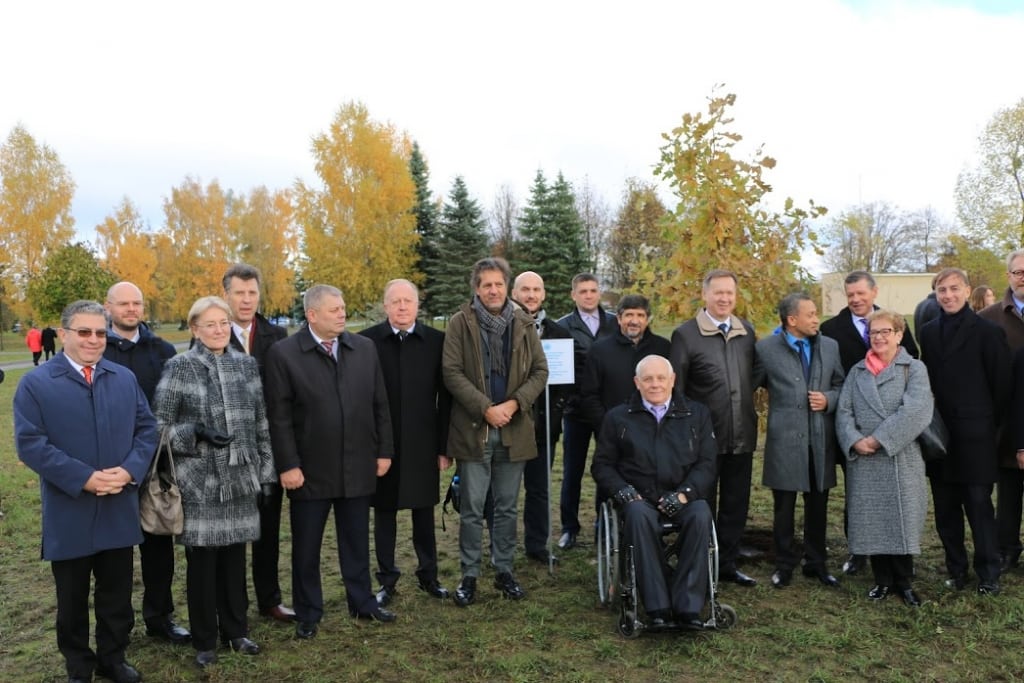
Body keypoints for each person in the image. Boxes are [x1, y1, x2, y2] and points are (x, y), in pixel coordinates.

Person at [14, 300, 158, 683]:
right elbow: (31, 443)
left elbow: (147, 429)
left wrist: (130, 470)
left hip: (118, 504)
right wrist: (84, 478)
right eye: (84, 332)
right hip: (70, 509)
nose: (94, 340)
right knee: (72, 600)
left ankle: (113, 658)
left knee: (117, 595)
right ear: (63, 334)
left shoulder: (122, 378)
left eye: (100, 333)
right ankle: (79, 665)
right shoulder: (36, 383)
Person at [264, 284, 396, 638]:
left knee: (355, 540)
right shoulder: (284, 354)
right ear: (312, 315)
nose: (342, 314)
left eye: (343, 308)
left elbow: (380, 404)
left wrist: (384, 450)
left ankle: (363, 603)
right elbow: (277, 417)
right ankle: (308, 612)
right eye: (334, 309)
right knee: (306, 547)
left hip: (358, 464)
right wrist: (287, 465)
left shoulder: (364, 349)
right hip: (308, 471)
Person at [153, 296, 277, 668]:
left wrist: (267, 473)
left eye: (223, 323)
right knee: (203, 564)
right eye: (210, 324)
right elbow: (158, 429)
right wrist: (196, 432)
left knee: (235, 558)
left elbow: (260, 423)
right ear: (194, 329)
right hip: (199, 482)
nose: (219, 330)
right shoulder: (180, 367)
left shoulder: (246, 366)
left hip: (240, 478)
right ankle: (205, 639)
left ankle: (237, 631)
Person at [442, 257, 548, 606]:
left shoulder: (523, 323)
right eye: (486, 284)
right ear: (476, 288)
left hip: (514, 429)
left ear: (507, 287)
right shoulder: (460, 323)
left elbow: (539, 371)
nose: (493, 290)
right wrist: (485, 408)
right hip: (475, 429)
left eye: (498, 284)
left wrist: (514, 404)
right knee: (472, 507)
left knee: (506, 507)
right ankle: (469, 574)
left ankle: (504, 569)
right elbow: (452, 372)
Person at [591, 354, 717, 630]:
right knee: (636, 515)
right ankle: (657, 605)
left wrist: (684, 494)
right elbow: (602, 466)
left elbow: (708, 464)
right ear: (637, 383)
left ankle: (688, 607)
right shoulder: (618, 417)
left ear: (673, 380)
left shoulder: (696, 414)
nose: (655, 384)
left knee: (701, 513)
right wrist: (623, 491)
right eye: (648, 379)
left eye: (661, 378)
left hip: (683, 496)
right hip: (639, 497)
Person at [103, 282, 188, 645]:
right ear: (108, 307)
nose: (131, 309)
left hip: (156, 465)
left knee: (158, 550)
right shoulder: (97, 349)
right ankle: (117, 629)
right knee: (114, 558)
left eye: (137, 303)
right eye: (123, 303)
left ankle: (160, 617)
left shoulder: (163, 350)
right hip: (110, 467)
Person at [820, 270, 919, 576]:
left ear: (874, 292)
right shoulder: (831, 329)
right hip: (854, 425)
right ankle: (859, 550)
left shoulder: (895, 323)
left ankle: (899, 556)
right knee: (858, 493)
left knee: (896, 494)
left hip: (892, 423)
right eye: (850, 295)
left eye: (861, 293)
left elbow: (910, 361)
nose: (856, 300)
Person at [918, 267, 1011, 595]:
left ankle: (988, 573)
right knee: (945, 509)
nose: (948, 295)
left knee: (979, 507)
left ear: (967, 290)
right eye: (942, 290)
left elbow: (1002, 387)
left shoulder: (987, 332)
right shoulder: (927, 332)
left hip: (976, 437)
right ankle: (956, 569)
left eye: (954, 289)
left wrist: (987, 426)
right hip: (939, 436)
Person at [360, 279, 452, 605]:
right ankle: (387, 580)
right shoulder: (366, 341)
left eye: (407, 301)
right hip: (383, 445)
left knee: (423, 513)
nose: (401, 307)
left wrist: (444, 448)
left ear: (417, 306)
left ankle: (429, 575)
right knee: (384, 513)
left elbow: (446, 398)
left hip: (424, 443)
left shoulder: (437, 342)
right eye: (395, 301)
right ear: (385, 306)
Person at [836, 310, 933, 607]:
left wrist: (878, 439)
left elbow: (915, 411)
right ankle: (882, 581)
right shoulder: (857, 371)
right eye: (873, 332)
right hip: (865, 458)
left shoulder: (913, 369)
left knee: (901, 516)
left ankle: (903, 581)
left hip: (899, 456)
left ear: (899, 335)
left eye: (885, 331)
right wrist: (854, 440)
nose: (878, 337)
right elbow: (843, 411)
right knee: (873, 520)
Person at [669, 270, 758, 587]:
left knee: (736, 504)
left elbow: (754, 376)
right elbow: (676, 389)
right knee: (702, 504)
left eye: (729, 293)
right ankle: (698, 564)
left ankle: (727, 565)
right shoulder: (686, 335)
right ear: (705, 295)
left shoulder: (746, 331)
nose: (724, 299)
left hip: (742, 434)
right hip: (702, 440)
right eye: (718, 293)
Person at [754, 293, 844, 589]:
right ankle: (784, 564)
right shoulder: (765, 349)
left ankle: (816, 563)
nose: (817, 319)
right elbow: (749, 386)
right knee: (784, 508)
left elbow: (841, 385)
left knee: (818, 505)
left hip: (820, 440)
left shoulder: (830, 347)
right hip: (785, 441)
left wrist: (829, 400)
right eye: (811, 314)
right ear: (792, 320)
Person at [220, 263, 293, 623]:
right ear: (226, 296)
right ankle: (234, 608)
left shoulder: (277, 336)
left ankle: (270, 599)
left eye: (252, 293)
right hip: (229, 452)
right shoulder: (213, 334)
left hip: (269, 452)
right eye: (239, 293)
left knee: (267, 531)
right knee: (234, 536)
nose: (246, 300)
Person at [510, 271, 573, 564]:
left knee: (539, 489)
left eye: (536, 289)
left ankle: (537, 545)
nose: (531, 295)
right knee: (505, 492)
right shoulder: (503, 328)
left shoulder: (559, 333)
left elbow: (566, 384)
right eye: (525, 289)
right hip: (510, 424)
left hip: (544, 426)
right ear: (514, 293)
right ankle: (503, 547)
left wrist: (554, 414)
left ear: (544, 294)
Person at [556, 273, 618, 551]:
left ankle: (603, 525)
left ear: (599, 293)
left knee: (606, 469)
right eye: (583, 291)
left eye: (593, 290)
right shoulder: (562, 327)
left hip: (609, 412)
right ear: (574, 295)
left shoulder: (615, 323)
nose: (589, 295)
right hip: (577, 411)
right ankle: (569, 528)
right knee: (573, 471)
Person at [979, 250, 1024, 572]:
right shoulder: (990, 318)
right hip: (1007, 419)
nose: (1023, 276)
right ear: (1008, 276)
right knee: (1009, 490)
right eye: (1018, 271)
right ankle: (1007, 548)